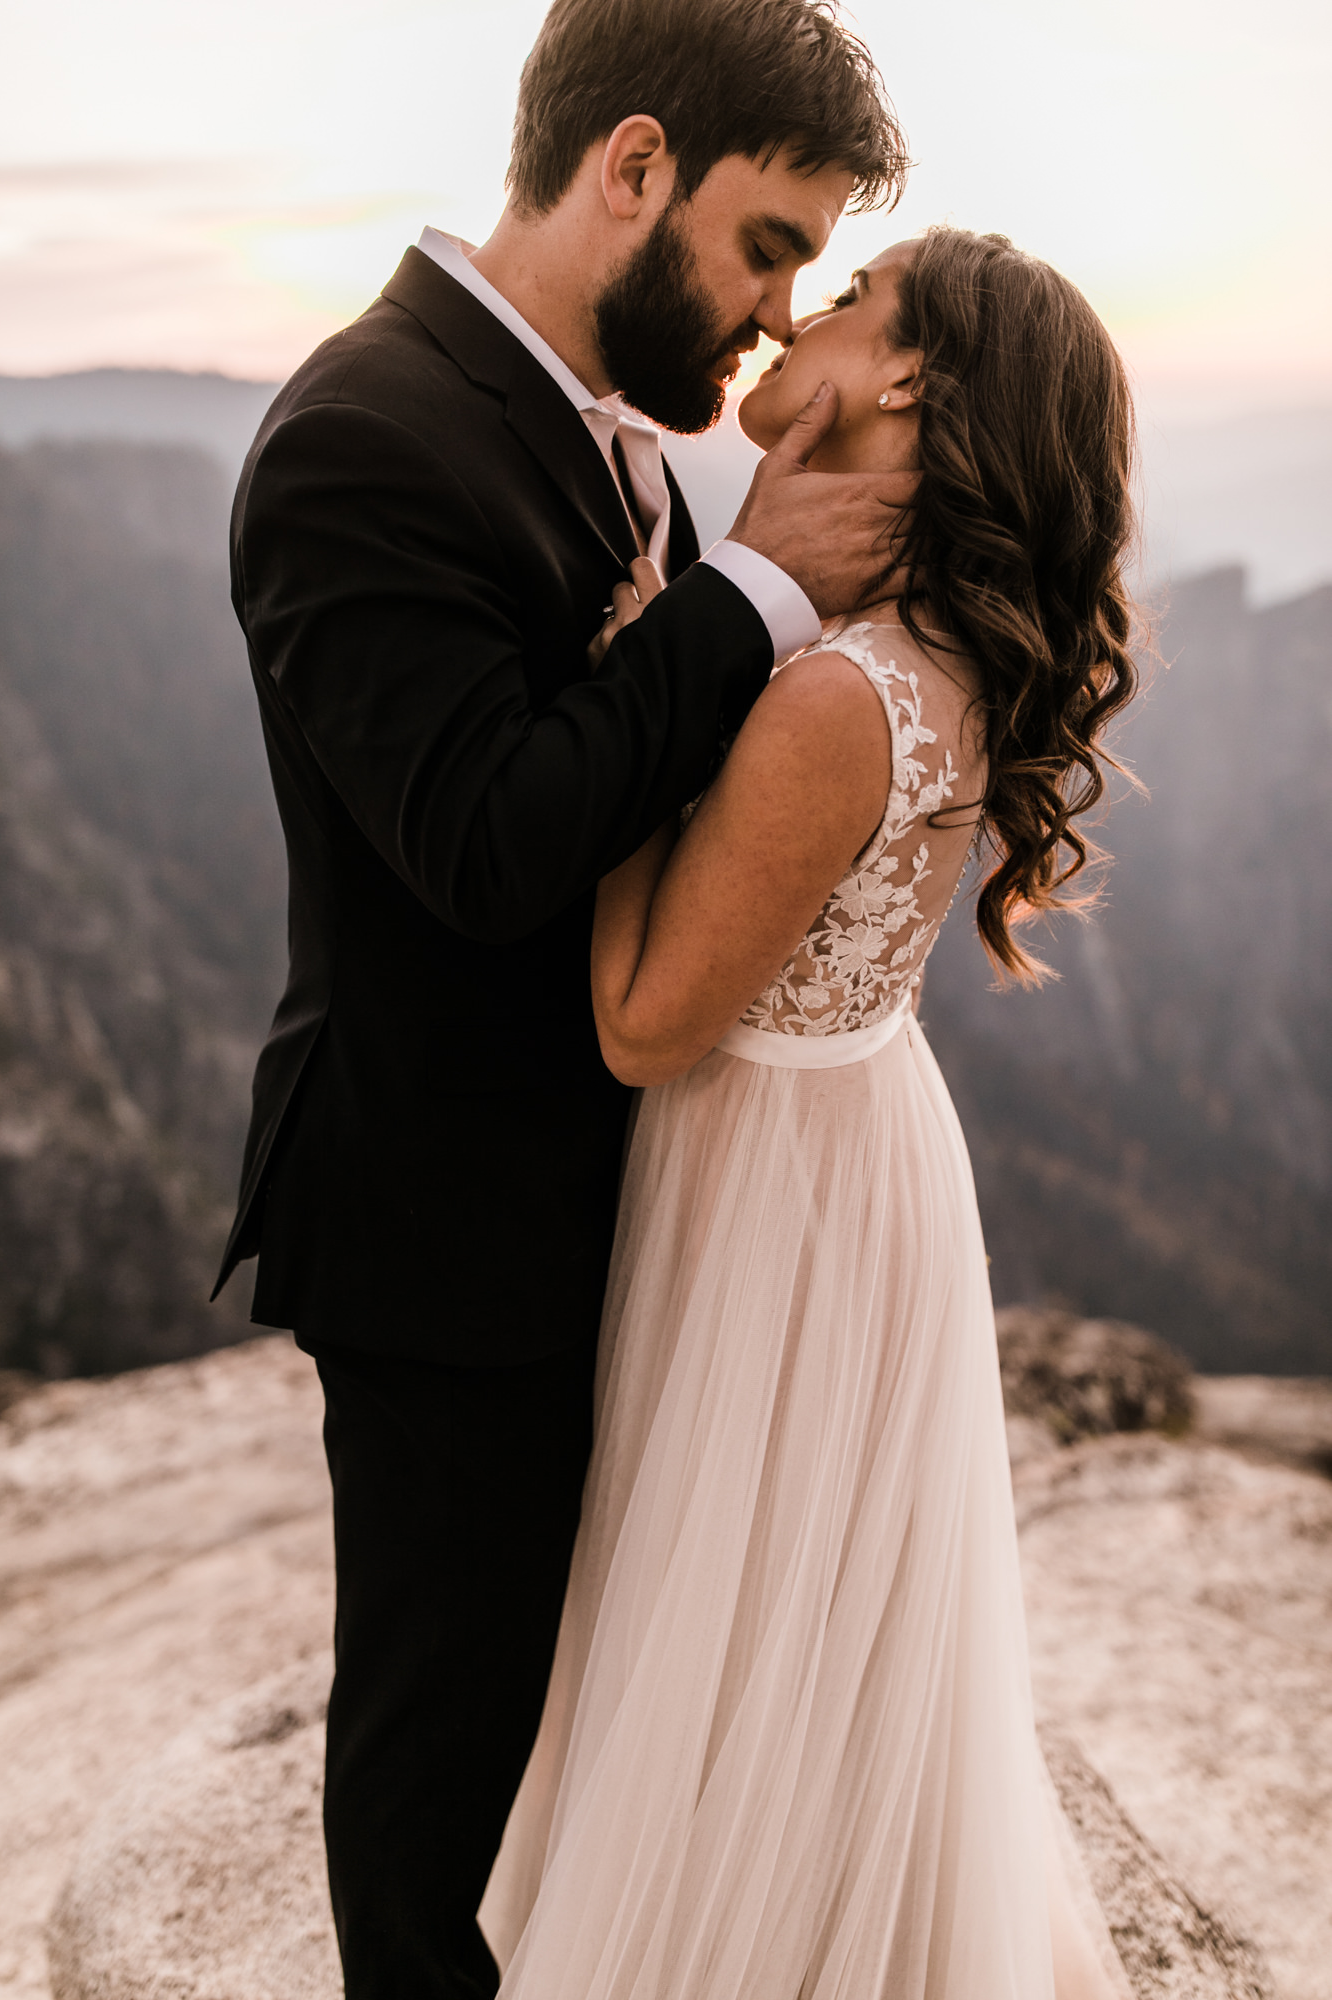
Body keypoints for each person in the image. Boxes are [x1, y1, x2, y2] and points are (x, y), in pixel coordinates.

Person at [212, 1, 913, 1993]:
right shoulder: (363, 433)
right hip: (446, 1232)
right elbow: (494, 835)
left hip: (615, 1205)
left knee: (581, 1733)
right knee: (444, 1774)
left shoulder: (611, 432)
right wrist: (760, 591)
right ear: (631, 168)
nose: (779, 316)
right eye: (768, 243)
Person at [478, 227, 1139, 1998]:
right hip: (855, 1146)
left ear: (908, 379)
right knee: (808, 1628)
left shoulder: (842, 697)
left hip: (760, 1171)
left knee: (729, 1617)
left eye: (846, 298)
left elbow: (637, 1024)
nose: (800, 311)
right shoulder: (921, 652)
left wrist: (627, 687)